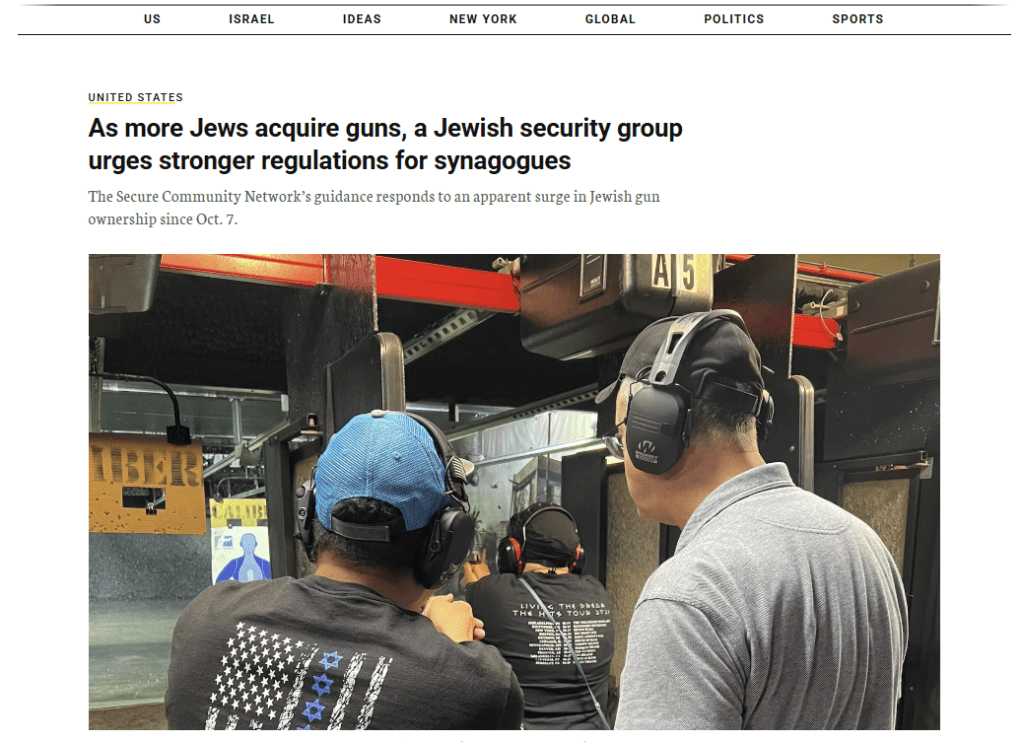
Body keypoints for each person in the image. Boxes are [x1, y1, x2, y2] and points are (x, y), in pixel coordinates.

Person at [598, 311, 909, 730]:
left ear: (654, 430)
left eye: (622, 434)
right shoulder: (867, 547)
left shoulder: (690, 593)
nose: (623, 451)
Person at [165, 410, 524, 730]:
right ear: (448, 541)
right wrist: (454, 648)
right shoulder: (479, 686)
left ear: (307, 519)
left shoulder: (205, 618)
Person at [463, 502, 614, 730]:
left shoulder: (491, 593)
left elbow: (474, 586)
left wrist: (478, 580)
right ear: (576, 556)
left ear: (512, 552)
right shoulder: (597, 592)